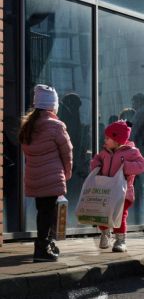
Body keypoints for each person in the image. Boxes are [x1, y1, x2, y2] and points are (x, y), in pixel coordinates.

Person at [19, 85, 73, 262]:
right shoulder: (56, 126)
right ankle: (42, 248)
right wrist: (67, 172)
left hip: (35, 177)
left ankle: (46, 244)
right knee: (48, 214)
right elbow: (67, 151)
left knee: (43, 211)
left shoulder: (28, 126)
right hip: (52, 177)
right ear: (53, 106)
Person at [91, 120, 144, 252]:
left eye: (107, 138)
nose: (104, 140)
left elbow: (143, 165)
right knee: (102, 213)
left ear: (117, 139)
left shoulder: (131, 152)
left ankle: (120, 240)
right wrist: (96, 165)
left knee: (120, 215)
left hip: (124, 192)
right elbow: (97, 160)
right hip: (106, 191)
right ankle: (105, 234)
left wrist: (126, 167)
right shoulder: (105, 152)